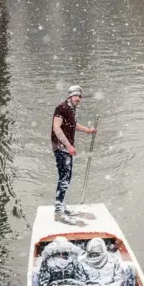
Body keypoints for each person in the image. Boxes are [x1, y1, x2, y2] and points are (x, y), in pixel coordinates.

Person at [51, 84, 97, 225]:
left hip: (65, 147)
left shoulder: (71, 110)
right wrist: (68, 146)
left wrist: (88, 130)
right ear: (70, 96)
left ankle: (61, 206)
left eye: (80, 96)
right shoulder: (62, 108)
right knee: (64, 177)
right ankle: (59, 212)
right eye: (76, 96)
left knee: (67, 177)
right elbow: (57, 128)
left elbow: (73, 125)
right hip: (61, 147)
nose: (78, 99)